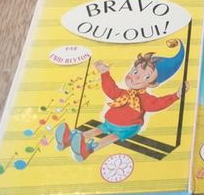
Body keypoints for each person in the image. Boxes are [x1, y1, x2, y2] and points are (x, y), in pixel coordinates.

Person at [54, 40, 187, 162]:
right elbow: (110, 89)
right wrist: (105, 73)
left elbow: (157, 104)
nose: (135, 77)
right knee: (96, 130)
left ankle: (87, 150)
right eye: (135, 71)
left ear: (152, 84)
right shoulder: (123, 93)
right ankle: (68, 140)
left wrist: (176, 96)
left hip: (128, 128)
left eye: (146, 76)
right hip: (109, 122)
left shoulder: (145, 99)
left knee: (111, 137)